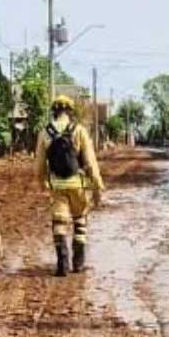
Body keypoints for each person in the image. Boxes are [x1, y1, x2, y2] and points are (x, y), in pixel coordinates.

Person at [35, 95, 105, 276]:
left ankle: (62, 263)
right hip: (78, 184)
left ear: (54, 110)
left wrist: (43, 183)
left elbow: (39, 165)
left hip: (57, 185)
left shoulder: (45, 132)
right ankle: (78, 263)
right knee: (80, 220)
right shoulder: (79, 130)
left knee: (59, 222)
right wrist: (98, 185)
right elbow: (90, 162)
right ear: (70, 111)